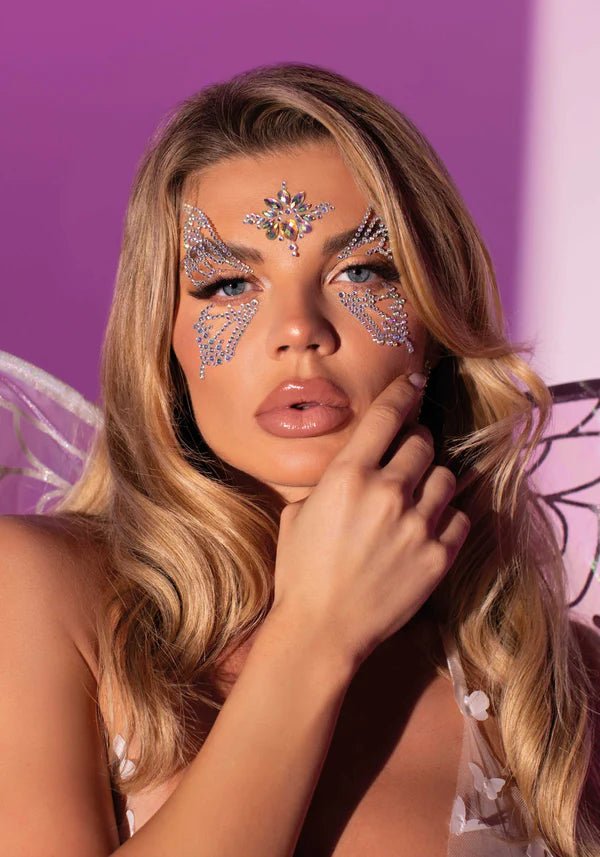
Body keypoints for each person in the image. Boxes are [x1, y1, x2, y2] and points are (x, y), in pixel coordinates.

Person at [0, 62, 598, 857]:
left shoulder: (551, 687)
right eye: (228, 285)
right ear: (163, 343)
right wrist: (315, 631)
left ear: (435, 323)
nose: (298, 329)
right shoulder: (40, 593)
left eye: (361, 271)